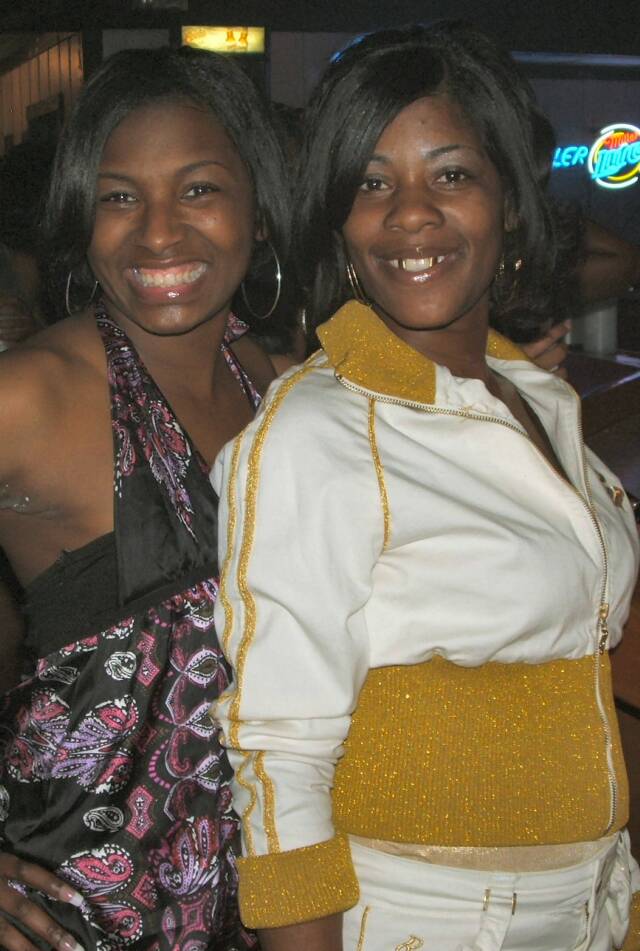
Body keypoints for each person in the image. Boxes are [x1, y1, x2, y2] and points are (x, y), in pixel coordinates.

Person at [212, 22, 640, 951]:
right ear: (338, 219)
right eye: (372, 183)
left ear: (509, 199)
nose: (411, 214)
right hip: (427, 921)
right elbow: (280, 760)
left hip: (586, 907)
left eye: (451, 174)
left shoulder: (532, 394)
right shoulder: (317, 429)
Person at [0, 45, 292, 950]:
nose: (159, 233)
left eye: (199, 189)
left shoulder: (271, 380)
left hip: (262, 902)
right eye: (119, 196)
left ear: (257, 207)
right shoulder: (34, 394)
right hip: (75, 915)